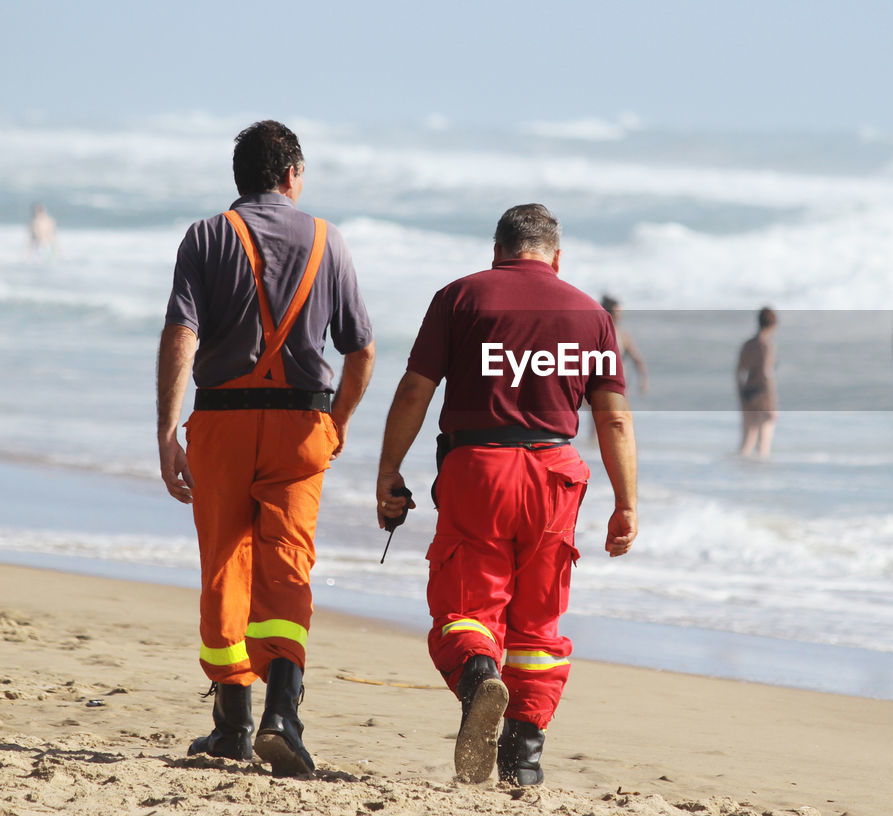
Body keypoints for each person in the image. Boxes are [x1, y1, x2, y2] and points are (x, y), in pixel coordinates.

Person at [376, 203, 638, 787]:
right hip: (555, 475)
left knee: (467, 606)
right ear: (556, 256)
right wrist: (626, 503)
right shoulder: (592, 315)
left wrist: (389, 468)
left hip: (479, 470)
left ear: (497, 250)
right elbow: (614, 421)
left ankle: (478, 678)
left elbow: (416, 388)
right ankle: (524, 758)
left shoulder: (460, 298)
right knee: (539, 623)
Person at [156, 120, 376, 778]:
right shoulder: (327, 242)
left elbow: (179, 336)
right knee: (288, 566)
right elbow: (360, 350)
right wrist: (337, 422)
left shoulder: (205, 236)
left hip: (221, 423)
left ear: (241, 178)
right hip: (301, 427)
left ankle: (231, 724)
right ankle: (283, 715)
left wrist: (168, 432)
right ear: (291, 176)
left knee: (224, 565)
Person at [736, 307, 778, 458]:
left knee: (746, 443)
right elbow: (767, 373)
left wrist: (741, 394)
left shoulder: (747, 345)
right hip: (762, 394)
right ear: (773, 325)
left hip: (748, 392)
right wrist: (772, 402)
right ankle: (761, 479)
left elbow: (739, 372)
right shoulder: (766, 346)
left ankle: (741, 476)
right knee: (764, 444)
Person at [600, 295, 648, 396]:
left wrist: (643, 380)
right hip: (602, 388)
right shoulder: (598, 334)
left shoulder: (623, 335)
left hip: (619, 388)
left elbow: (637, 360)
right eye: (618, 311)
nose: (621, 314)